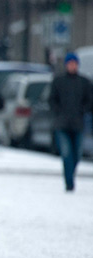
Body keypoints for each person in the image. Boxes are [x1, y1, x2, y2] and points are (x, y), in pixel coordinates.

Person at [50, 52, 93, 192]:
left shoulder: (84, 82)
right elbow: (51, 99)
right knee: (67, 153)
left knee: (77, 154)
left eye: (74, 63)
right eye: (70, 63)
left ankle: (70, 176)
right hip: (62, 124)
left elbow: (89, 101)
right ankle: (69, 182)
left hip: (78, 124)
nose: (72, 66)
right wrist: (58, 111)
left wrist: (83, 110)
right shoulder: (59, 81)